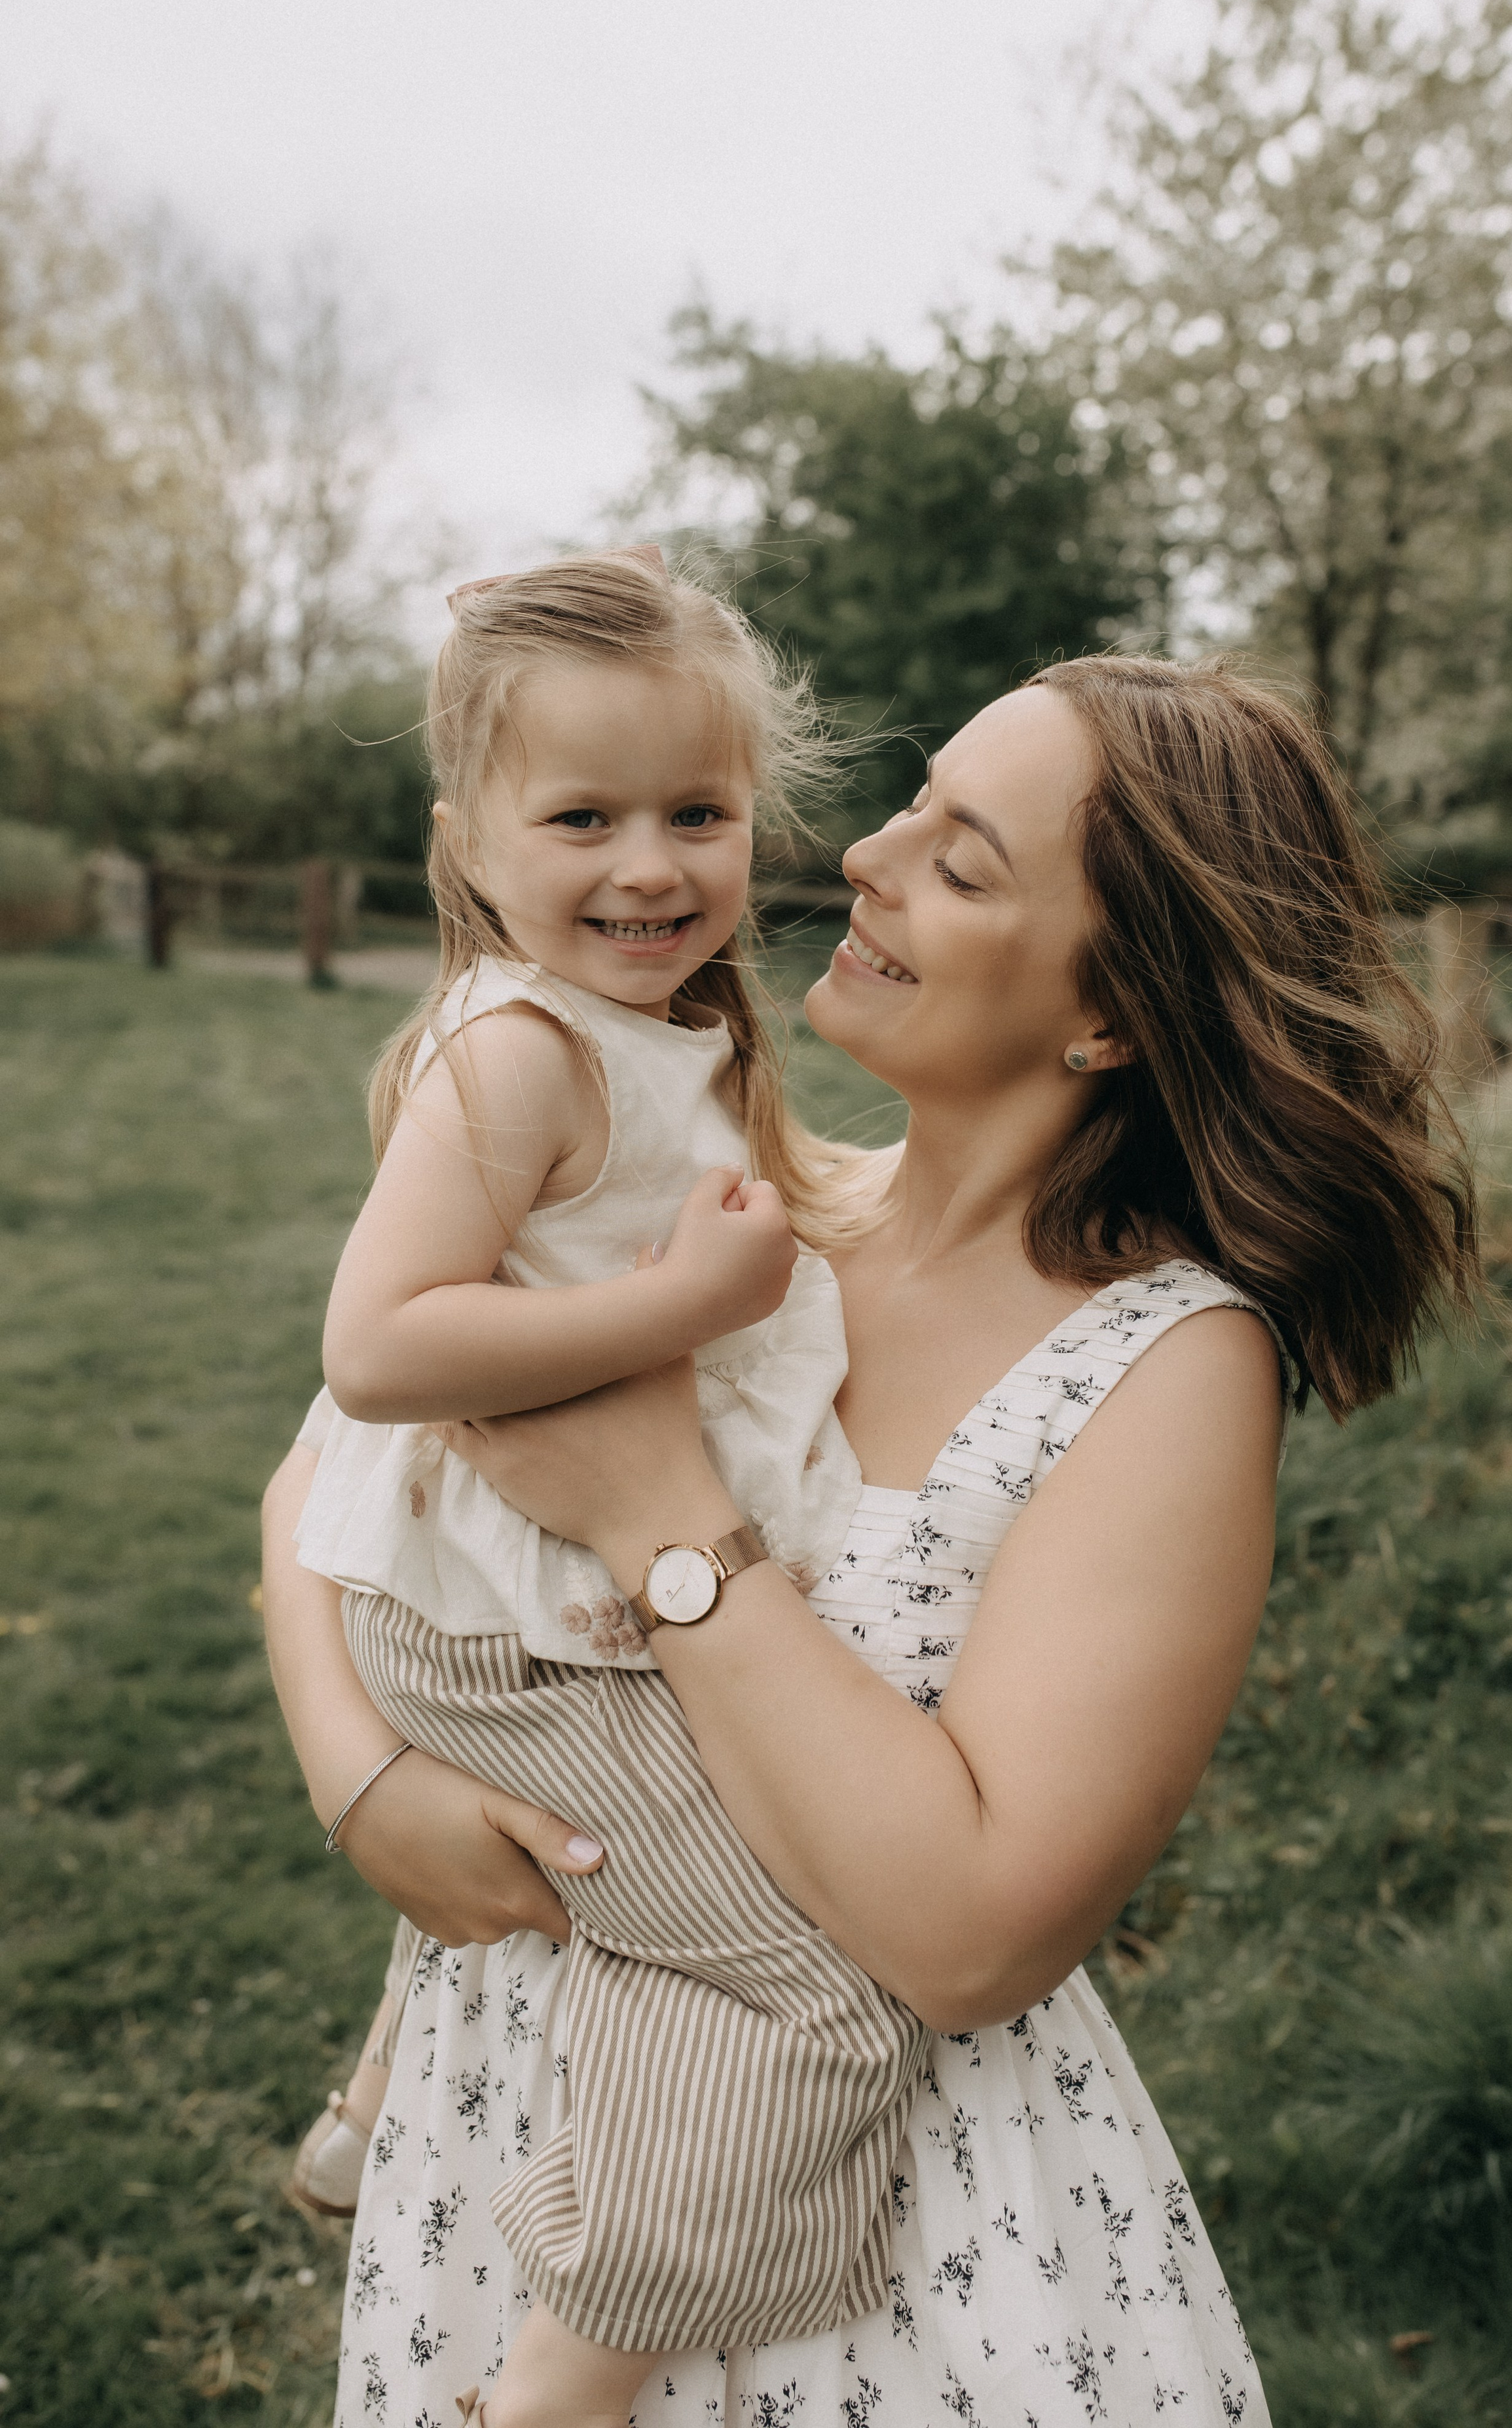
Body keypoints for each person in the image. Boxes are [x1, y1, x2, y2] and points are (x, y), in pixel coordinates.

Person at [263, 651, 1477, 2427]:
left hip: (893, 2229)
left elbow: (976, 1936)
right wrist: (364, 1784)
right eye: (907, 807)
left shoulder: (1162, 1366)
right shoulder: (751, 1213)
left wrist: (661, 1518)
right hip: (525, 2107)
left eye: (963, 860)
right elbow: (322, 1481)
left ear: (1114, 1015)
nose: (865, 861)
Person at [284, 547, 938, 2428]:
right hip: (512, 1632)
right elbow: (377, 1351)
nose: (650, 865)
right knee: (820, 1982)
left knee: (748, 1914)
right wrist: (677, 1306)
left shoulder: (672, 1029)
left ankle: (419, 2122)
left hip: (585, 1603)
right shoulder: (514, 1054)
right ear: (469, 842)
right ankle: (558, 2375)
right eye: (583, 816)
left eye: (698, 812)